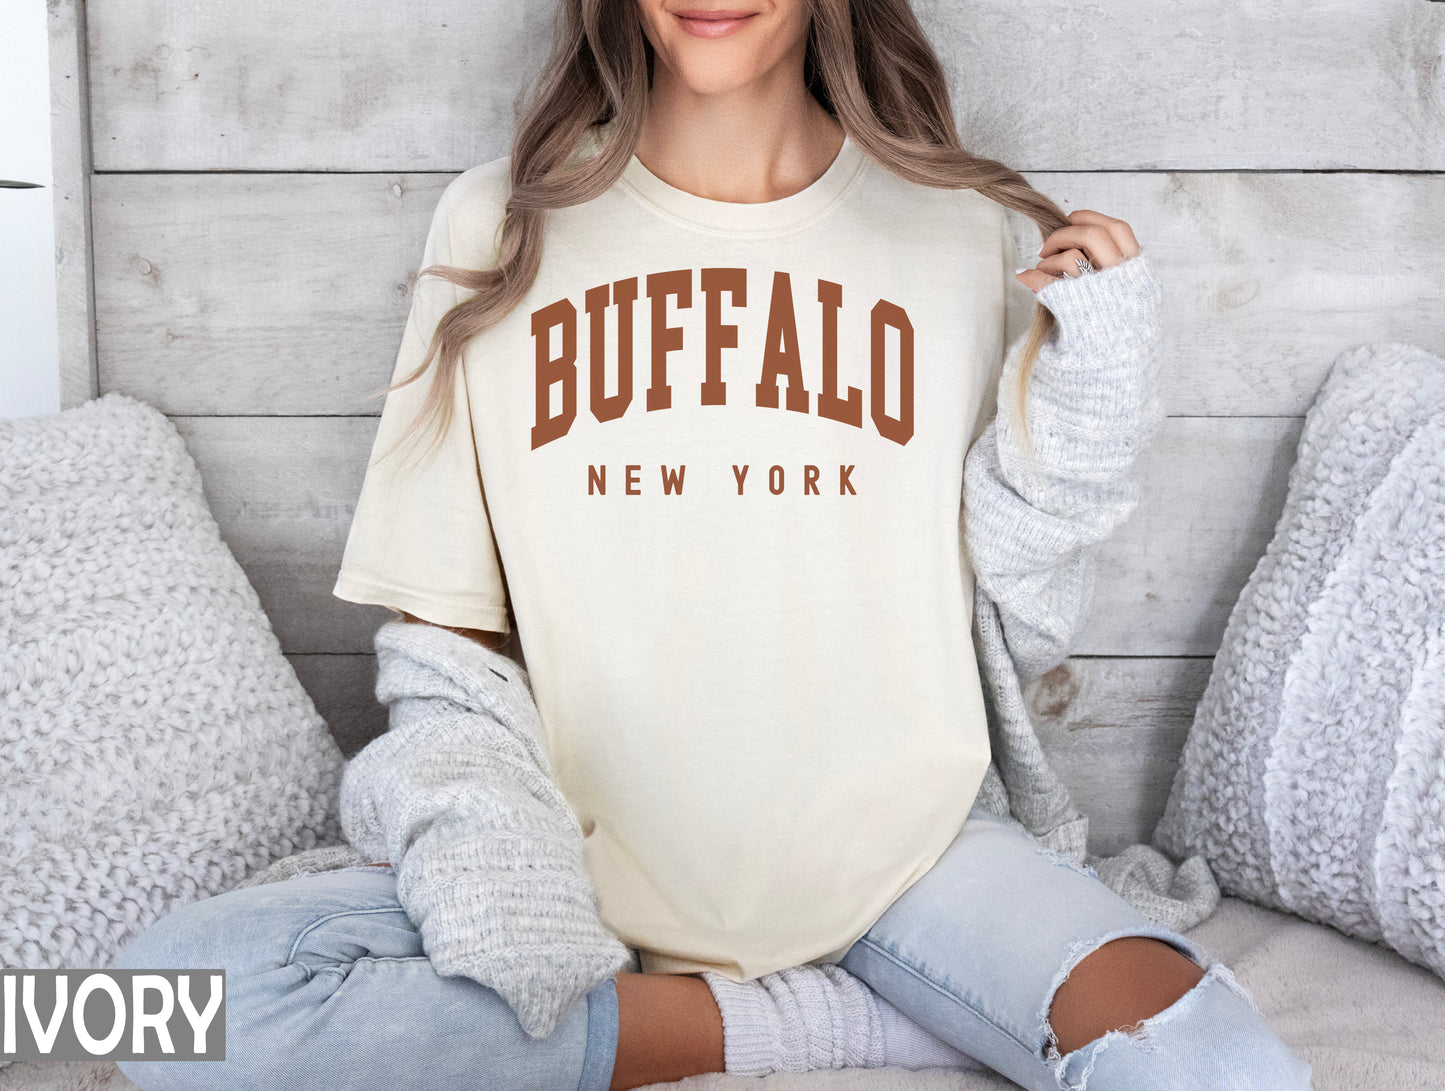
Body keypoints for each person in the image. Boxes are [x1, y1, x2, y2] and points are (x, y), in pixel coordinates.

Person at [113, 1, 1315, 1089]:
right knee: (133, 1014)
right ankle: (824, 1019)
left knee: (1221, 1066)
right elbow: (444, 631)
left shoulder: (967, 229)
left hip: (909, 863)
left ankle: (822, 996)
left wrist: (1094, 406)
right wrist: (493, 871)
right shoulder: (499, 223)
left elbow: (1020, 586)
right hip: (578, 866)